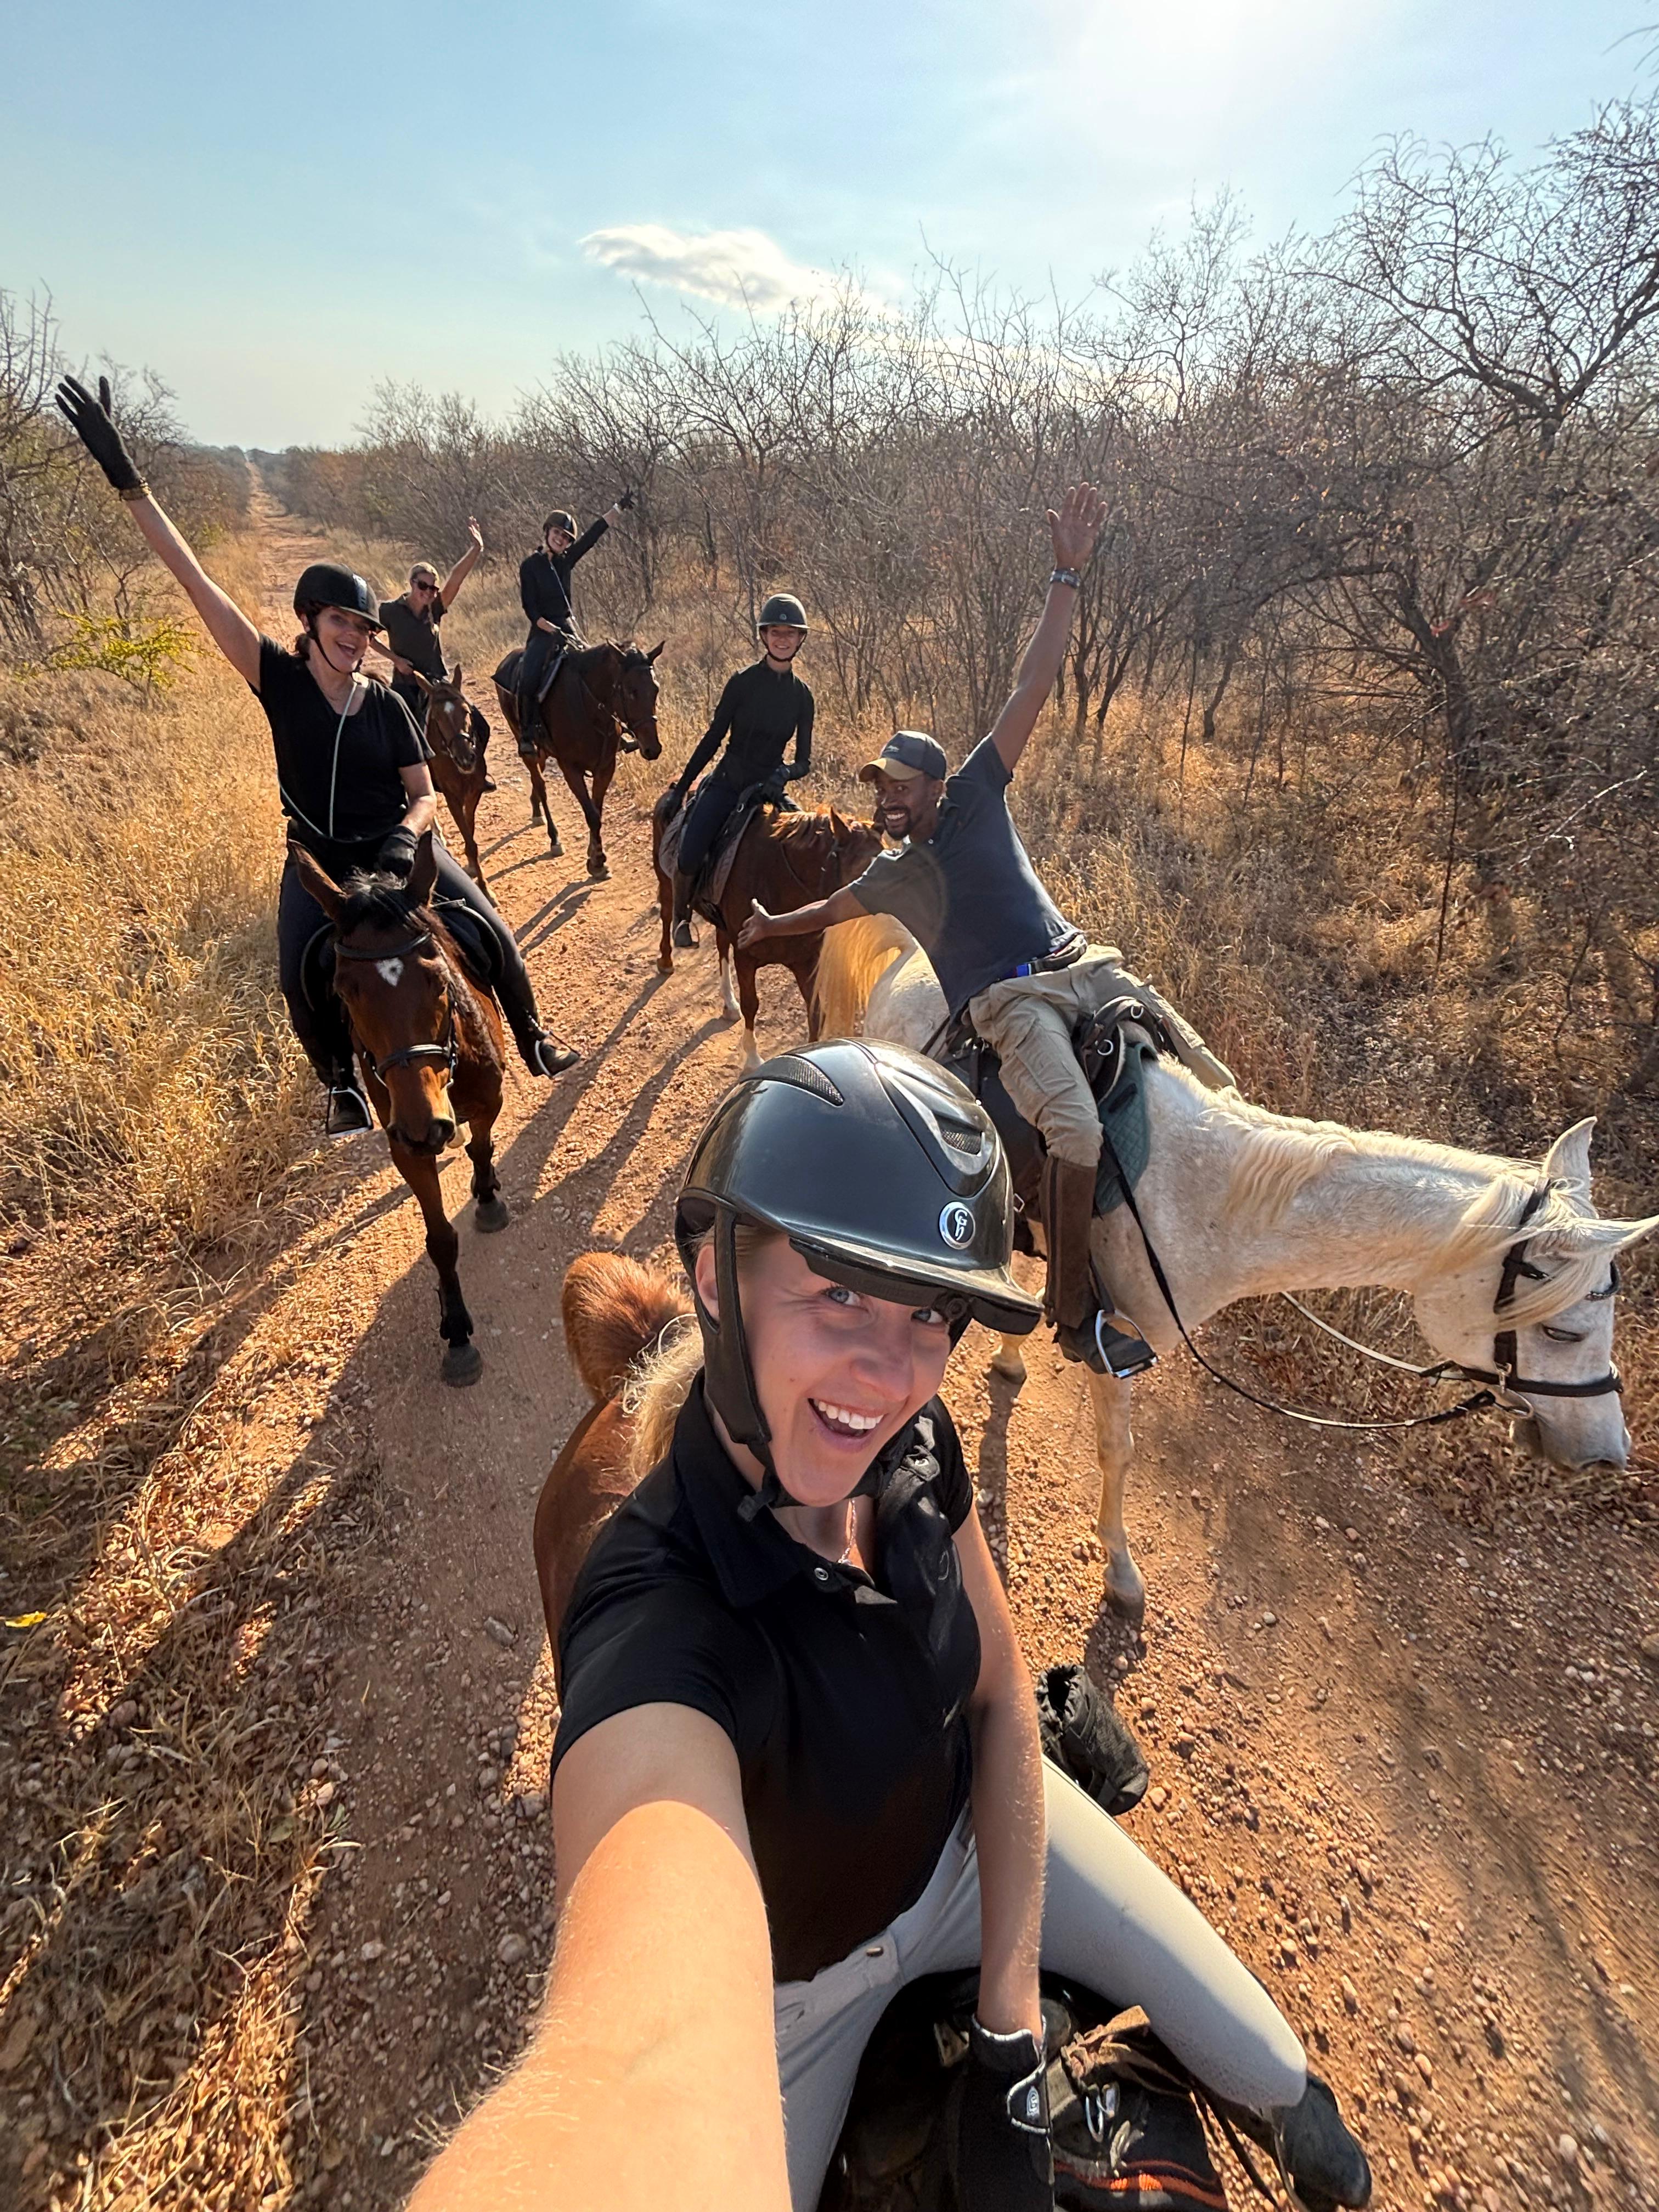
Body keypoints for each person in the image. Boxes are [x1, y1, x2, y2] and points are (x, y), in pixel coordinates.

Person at [415, 1040, 1368, 2212]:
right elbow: (633, 2064)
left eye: (930, 1313)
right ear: (715, 1276)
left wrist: (1014, 2027)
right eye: (838, 1291)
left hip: (975, 1853)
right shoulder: (655, 1613)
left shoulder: (913, 1447)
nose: (888, 1369)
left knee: (1280, 2080)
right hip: (793, 1998)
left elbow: (1003, 1693)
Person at [737, 487, 1234, 1380]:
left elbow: (1032, 681)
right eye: (875, 784)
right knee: (1075, 1129)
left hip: (1082, 959)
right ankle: (1073, 1313)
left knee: (1208, 1069)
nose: (882, 795)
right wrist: (774, 920)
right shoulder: (894, 872)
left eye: (894, 782)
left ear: (929, 784)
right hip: (1008, 1000)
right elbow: (832, 911)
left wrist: (1064, 575)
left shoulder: (973, 791)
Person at [54, 375, 580, 1139]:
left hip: (394, 853)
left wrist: (408, 837)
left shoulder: (388, 702)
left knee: (486, 925)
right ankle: (340, 1084)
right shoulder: (278, 678)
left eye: (364, 628)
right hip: (321, 866)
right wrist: (129, 481)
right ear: (310, 619)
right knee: (298, 970)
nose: (355, 637)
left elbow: (424, 789)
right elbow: (195, 582)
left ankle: (532, 1034)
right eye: (341, 622)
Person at [661, 593, 815, 949]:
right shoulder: (742, 683)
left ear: (800, 639)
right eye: (775, 631)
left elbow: (804, 760)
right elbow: (714, 738)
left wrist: (785, 774)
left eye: (790, 633)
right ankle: (681, 916)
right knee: (691, 848)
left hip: (770, 789)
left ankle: (801, 925)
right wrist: (683, 786)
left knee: (809, 846)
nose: (782, 639)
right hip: (729, 783)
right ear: (764, 635)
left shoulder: (802, 697)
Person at [514, 493, 634, 760]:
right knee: (530, 676)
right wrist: (546, 627)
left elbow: (592, 536)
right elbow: (530, 607)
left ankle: (617, 729)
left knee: (602, 667)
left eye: (566, 537)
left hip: (568, 627)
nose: (561, 539)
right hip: (543, 629)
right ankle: (528, 734)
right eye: (558, 533)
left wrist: (617, 509)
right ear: (547, 532)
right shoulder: (530, 566)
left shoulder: (567, 560)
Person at [377, 526, 494, 789]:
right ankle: (405, 786)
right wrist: (394, 659)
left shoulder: (435, 609)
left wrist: (476, 550)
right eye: (423, 586)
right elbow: (367, 635)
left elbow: (456, 580)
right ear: (412, 584)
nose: (428, 592)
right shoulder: (390, 612)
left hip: (438, 681)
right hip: (407, 683)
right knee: (403, 734)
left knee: (479, 722)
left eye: (432, 588)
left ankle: (478, 774)